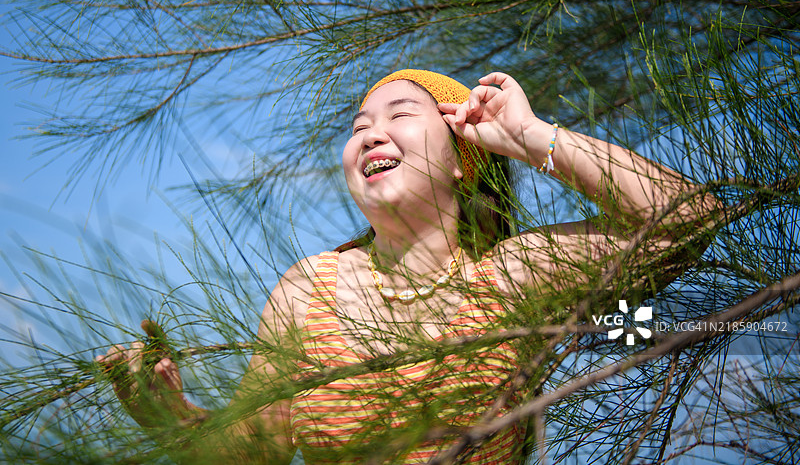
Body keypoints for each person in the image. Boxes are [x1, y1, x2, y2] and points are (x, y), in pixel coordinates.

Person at [97, 70, 717, 464]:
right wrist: (172, 417)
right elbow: (250, 453)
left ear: (460, 159)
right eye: (359, 126)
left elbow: (688, 218)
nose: (370, 134)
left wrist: (529, 135)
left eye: (400, 115)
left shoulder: (513, 275)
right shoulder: (306, 289)